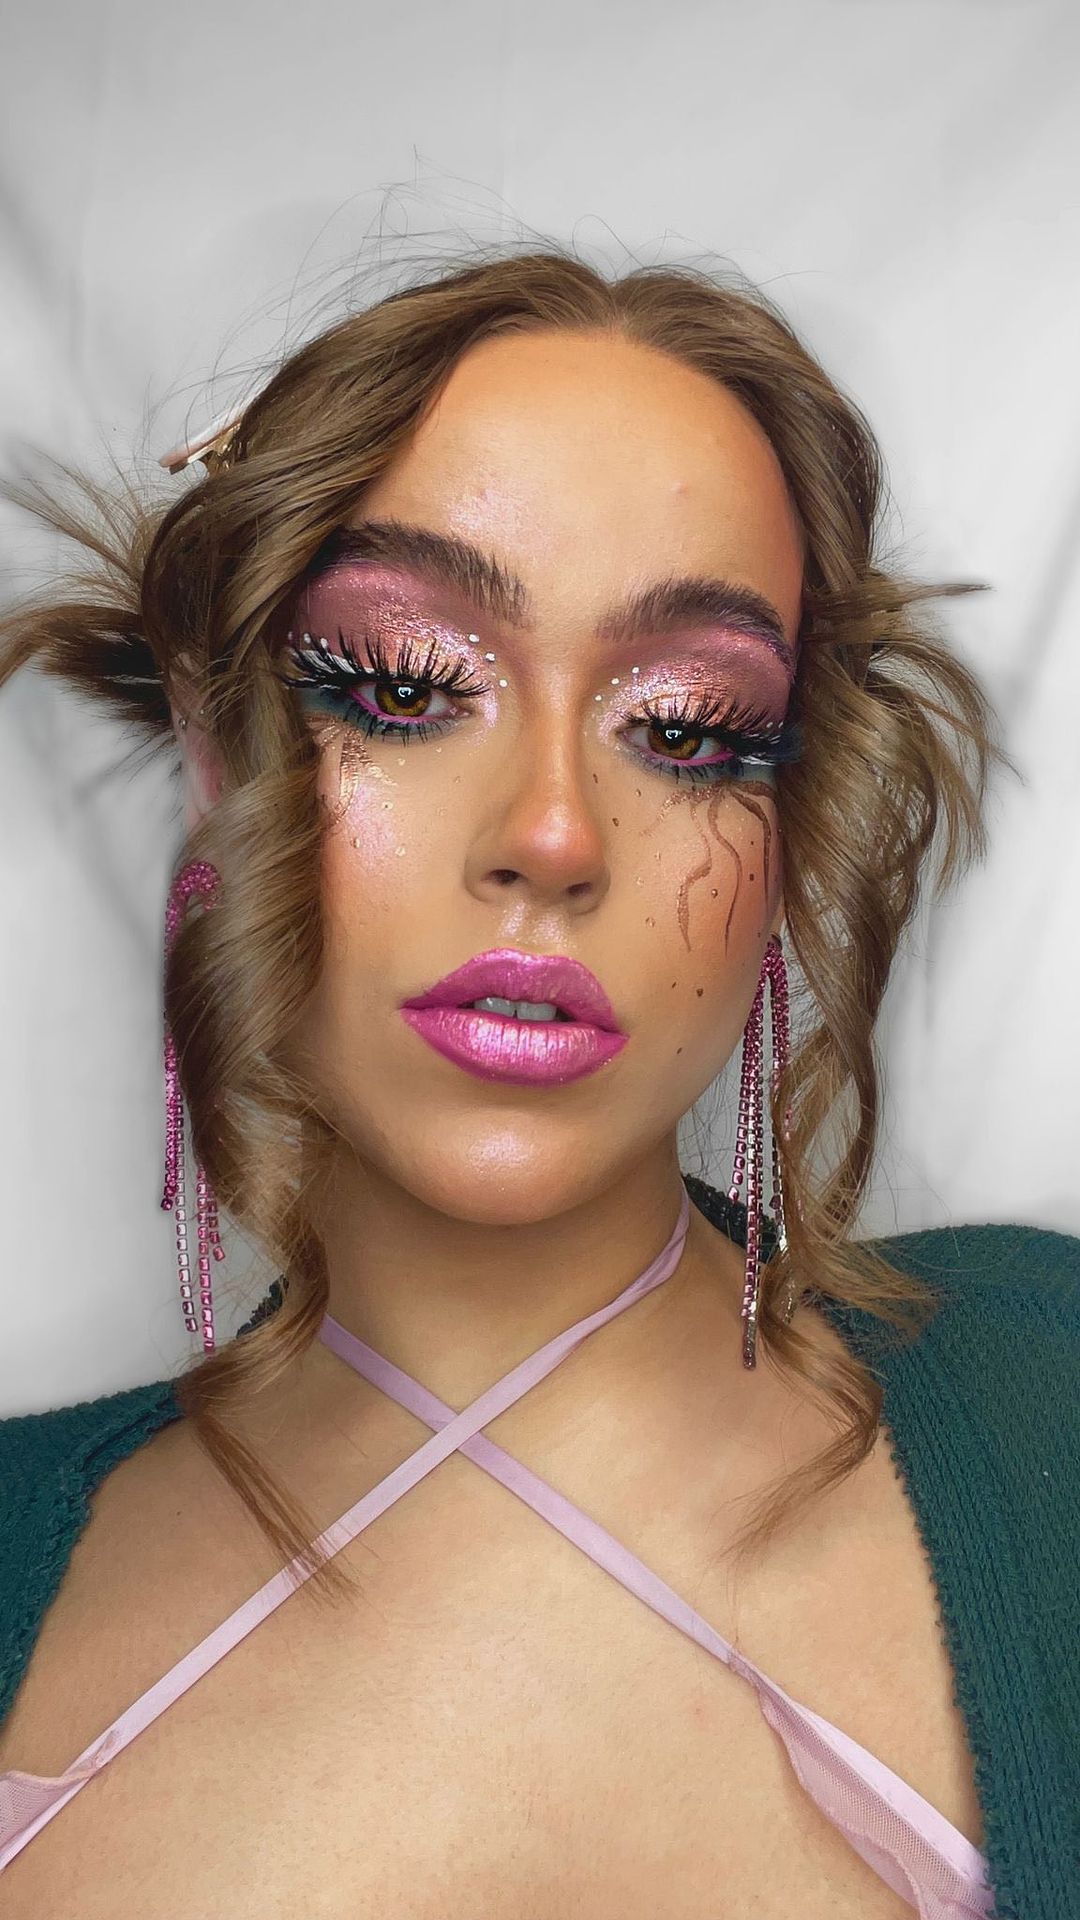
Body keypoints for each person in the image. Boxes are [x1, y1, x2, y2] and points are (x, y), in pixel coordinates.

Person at [0, 246, 1076, 1919]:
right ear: (217, 753)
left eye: (692, 725)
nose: (554, 835)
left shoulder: (1048, 1390)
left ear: (792, 824)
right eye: (403, 687)